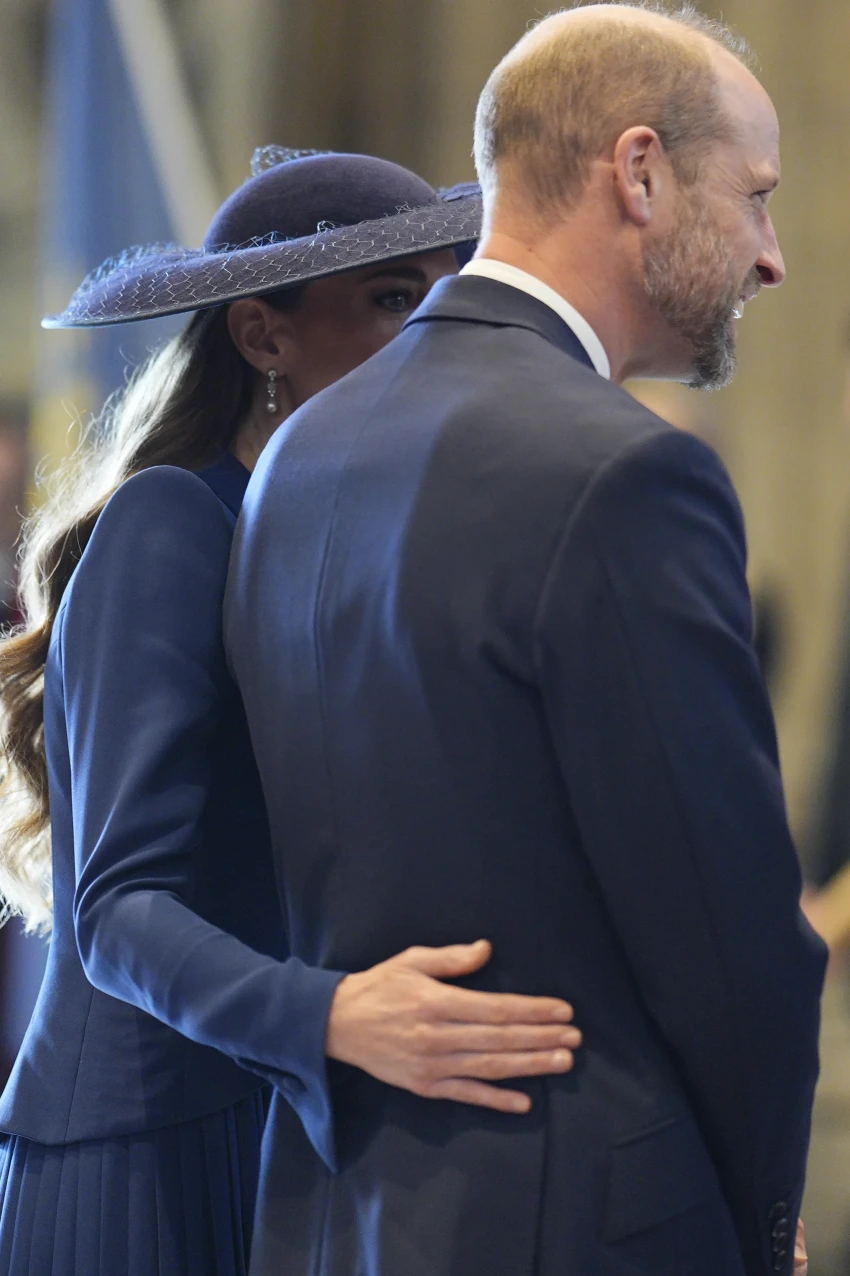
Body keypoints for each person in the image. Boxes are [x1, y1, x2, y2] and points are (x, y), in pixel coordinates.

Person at [225, 8, 826, 1276]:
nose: (770, 257)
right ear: (640, 172)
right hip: (577, 1221)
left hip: (334, 1216)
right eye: (757, 196)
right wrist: (766, 1220)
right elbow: (730, 943)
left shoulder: (297, 454)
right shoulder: (626, 472)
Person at [0, 148, 584, 1276]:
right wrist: (331, 1017)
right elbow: (117, 909)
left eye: (441, 295)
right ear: (262, 337)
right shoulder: (171, 521)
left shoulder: (341, 539)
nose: (429, 331)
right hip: (150, 1151)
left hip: (298, 1128)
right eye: (391, 299)